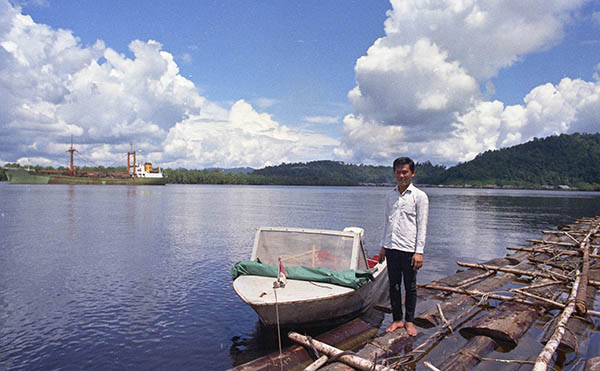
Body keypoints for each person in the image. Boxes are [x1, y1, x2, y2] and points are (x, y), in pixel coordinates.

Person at [378, 157, 429, 336]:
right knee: (393, 285)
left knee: (410, 286)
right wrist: (383, 246)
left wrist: (419, 252)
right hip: (392, 247)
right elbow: (387, 222)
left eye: (405, 172)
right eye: (398, 172)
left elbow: (422, 226)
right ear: (394, 173)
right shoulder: (390, 196)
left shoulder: (419, 197)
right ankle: (397, 320)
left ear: (412, 173)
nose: (401, 175)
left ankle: (409, 321)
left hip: (409, 250)